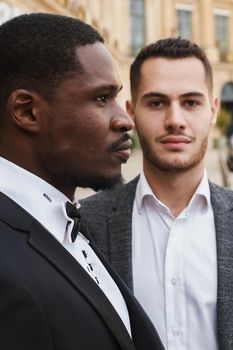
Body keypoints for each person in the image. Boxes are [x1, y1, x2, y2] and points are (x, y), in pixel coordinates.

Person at [0, 13, 165, 350]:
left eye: (116, 97)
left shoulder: (65, 221)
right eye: (101, 98)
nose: (124, 119)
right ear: (27, 111)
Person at [81, 38, 233, 350]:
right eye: (157, 103)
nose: (175, 120)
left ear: (213, 111)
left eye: (191, 102)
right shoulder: (84, 225)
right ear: (131, 113)